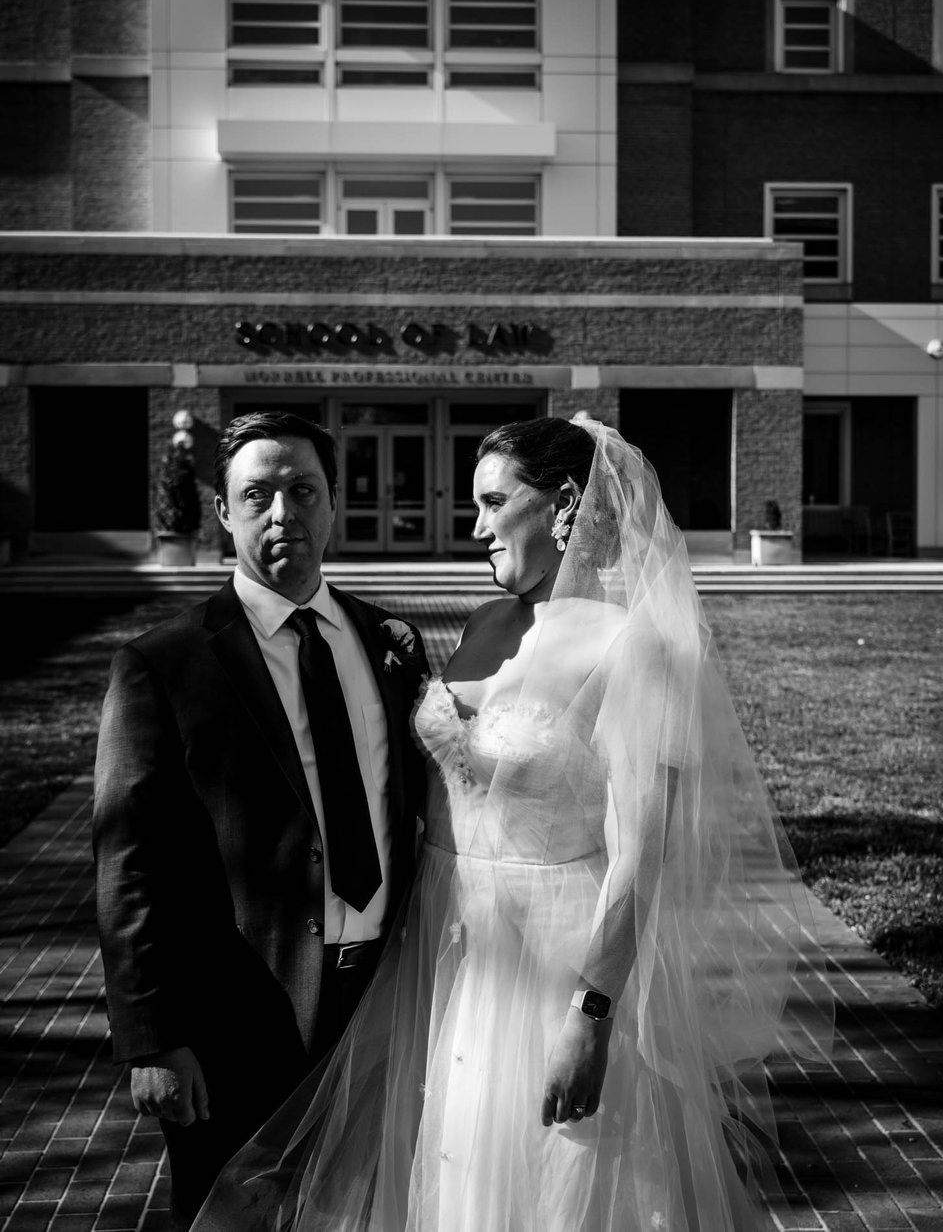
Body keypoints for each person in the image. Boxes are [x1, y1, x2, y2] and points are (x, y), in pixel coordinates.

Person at [192, 415, 833, 1232]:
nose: (477, 527)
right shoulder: (489, 625)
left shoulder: (635, 651)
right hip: (444, 946)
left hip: (553, 966)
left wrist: (591, 1018)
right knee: (442, 1170)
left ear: (565, 505)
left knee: (551, 1185)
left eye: (495, 503)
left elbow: (642, 858)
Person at [92, 410, 429, 1231]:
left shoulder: (391, 642)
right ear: (225, 512)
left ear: (333, 502)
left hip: (381, 998)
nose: (284, 514)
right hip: (237, 1020)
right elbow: (126, 863)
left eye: (303, 491)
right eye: (259, 495)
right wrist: (151, 1036)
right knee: (232, 1215)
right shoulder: (164, 664)